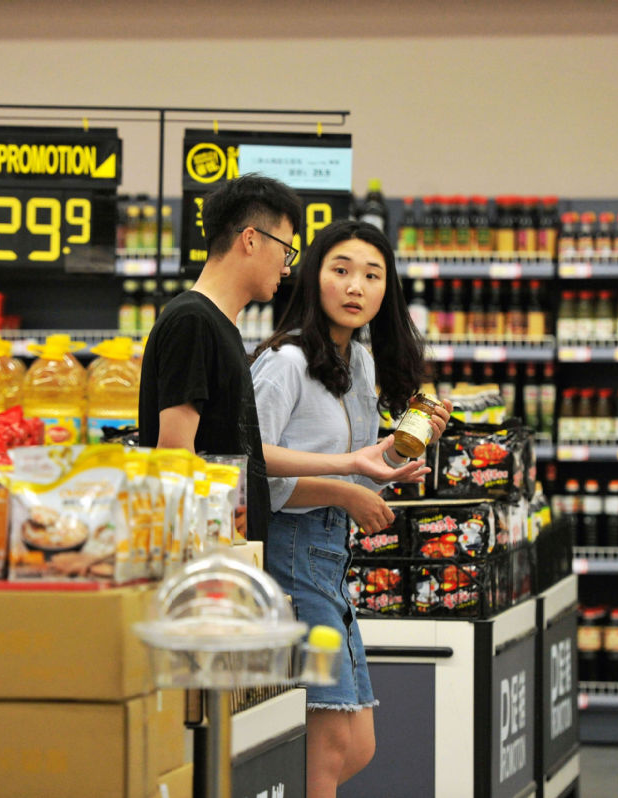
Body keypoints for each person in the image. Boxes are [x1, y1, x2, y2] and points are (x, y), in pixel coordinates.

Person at [250, 220, 450, 797]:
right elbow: (249, 462)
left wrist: (402, 452)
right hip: (289, 557)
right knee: (329, 745)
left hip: (331, 560)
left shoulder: (358, 363)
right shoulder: (285, 362)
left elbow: (357, 466)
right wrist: (345, 490)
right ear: (314, 277)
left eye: (372, 275)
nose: (356, 286)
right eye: (341, 270)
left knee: (357, 745)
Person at [139, 175, 427, 544]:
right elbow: (175, 455)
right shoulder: (193, 321)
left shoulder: (220, 327)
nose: (287, 267)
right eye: (285, 250)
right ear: (250, 239)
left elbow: (247, 455)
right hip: (209, 549)